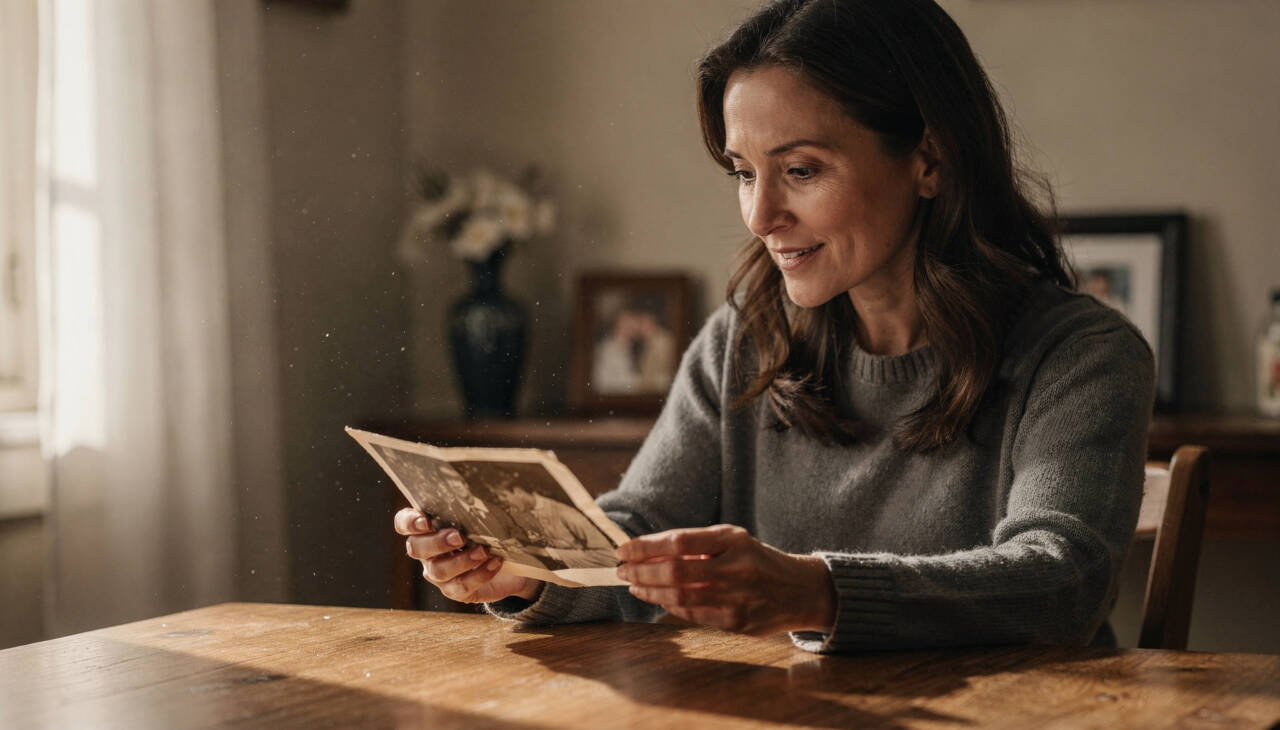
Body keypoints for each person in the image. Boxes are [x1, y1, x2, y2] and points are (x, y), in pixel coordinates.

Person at [395, 0, 1154, 653]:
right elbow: (643, 527)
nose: (762, 217)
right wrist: (532, 573)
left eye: (801, 170)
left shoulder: (1081, 355)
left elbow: (1061, 581)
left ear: (930, 161)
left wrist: (816, 593)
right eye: (743, 172)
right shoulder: (746, 338)